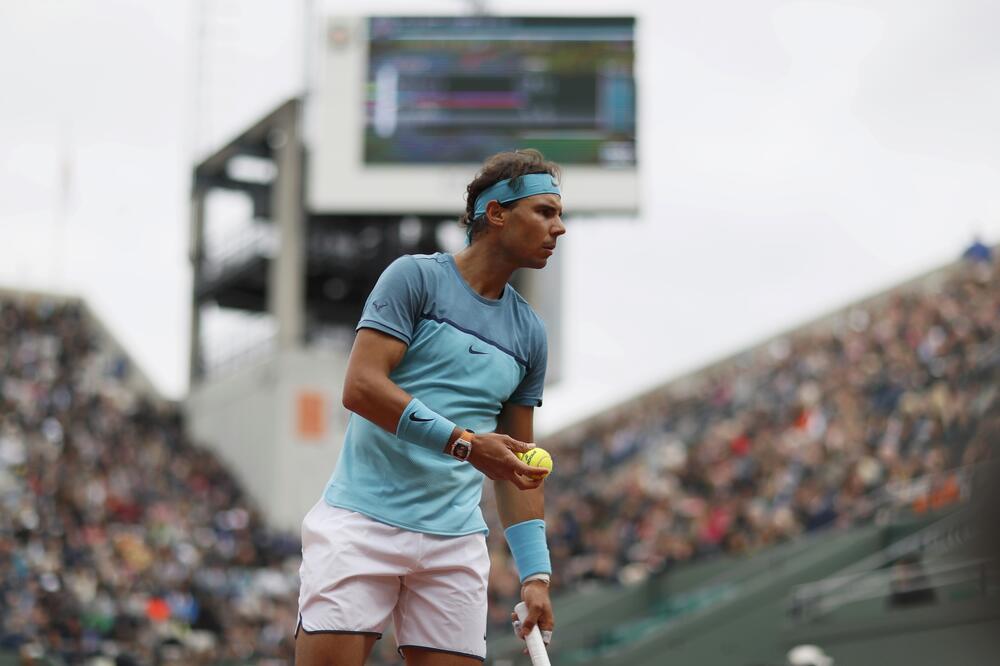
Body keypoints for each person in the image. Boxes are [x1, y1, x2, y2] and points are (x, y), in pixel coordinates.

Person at [295, 149, 566, 665]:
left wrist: (536, 575)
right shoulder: (414, 278)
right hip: (361, 522)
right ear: (497, 213)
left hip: (454, 543)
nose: (559, 227)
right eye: (545, 212)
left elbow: (518, 466)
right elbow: (361, 387)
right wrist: (465, 445)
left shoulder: (531, 332)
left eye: (559, 215)